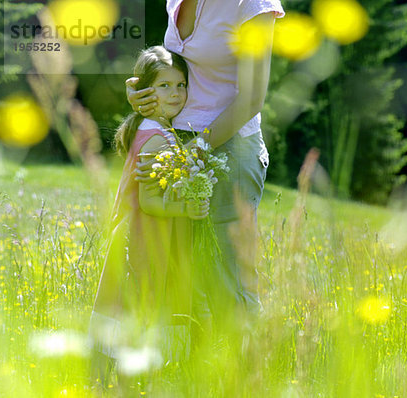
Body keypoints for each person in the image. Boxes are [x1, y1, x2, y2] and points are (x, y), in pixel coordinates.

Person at [128, 0, 285, 317]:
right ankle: (192, 365)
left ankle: (245, 364)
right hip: (176, 141)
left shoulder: (253, 5)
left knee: (230, 283)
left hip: (228, 150)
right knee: (184, 277)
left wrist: (191, 153)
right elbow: (177, 65)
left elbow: (252, 97)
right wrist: (138, 90)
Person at [89, 46, 209, 382]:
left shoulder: (149, 127)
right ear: (144, 90)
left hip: (137, 233)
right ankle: (133, 380)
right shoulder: (157, 139)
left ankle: (116, 379)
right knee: (142, 305)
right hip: (147, 236)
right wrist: (188, 207)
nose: (175, 93)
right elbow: (151, 203)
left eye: (181, 85)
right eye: (164, 86)